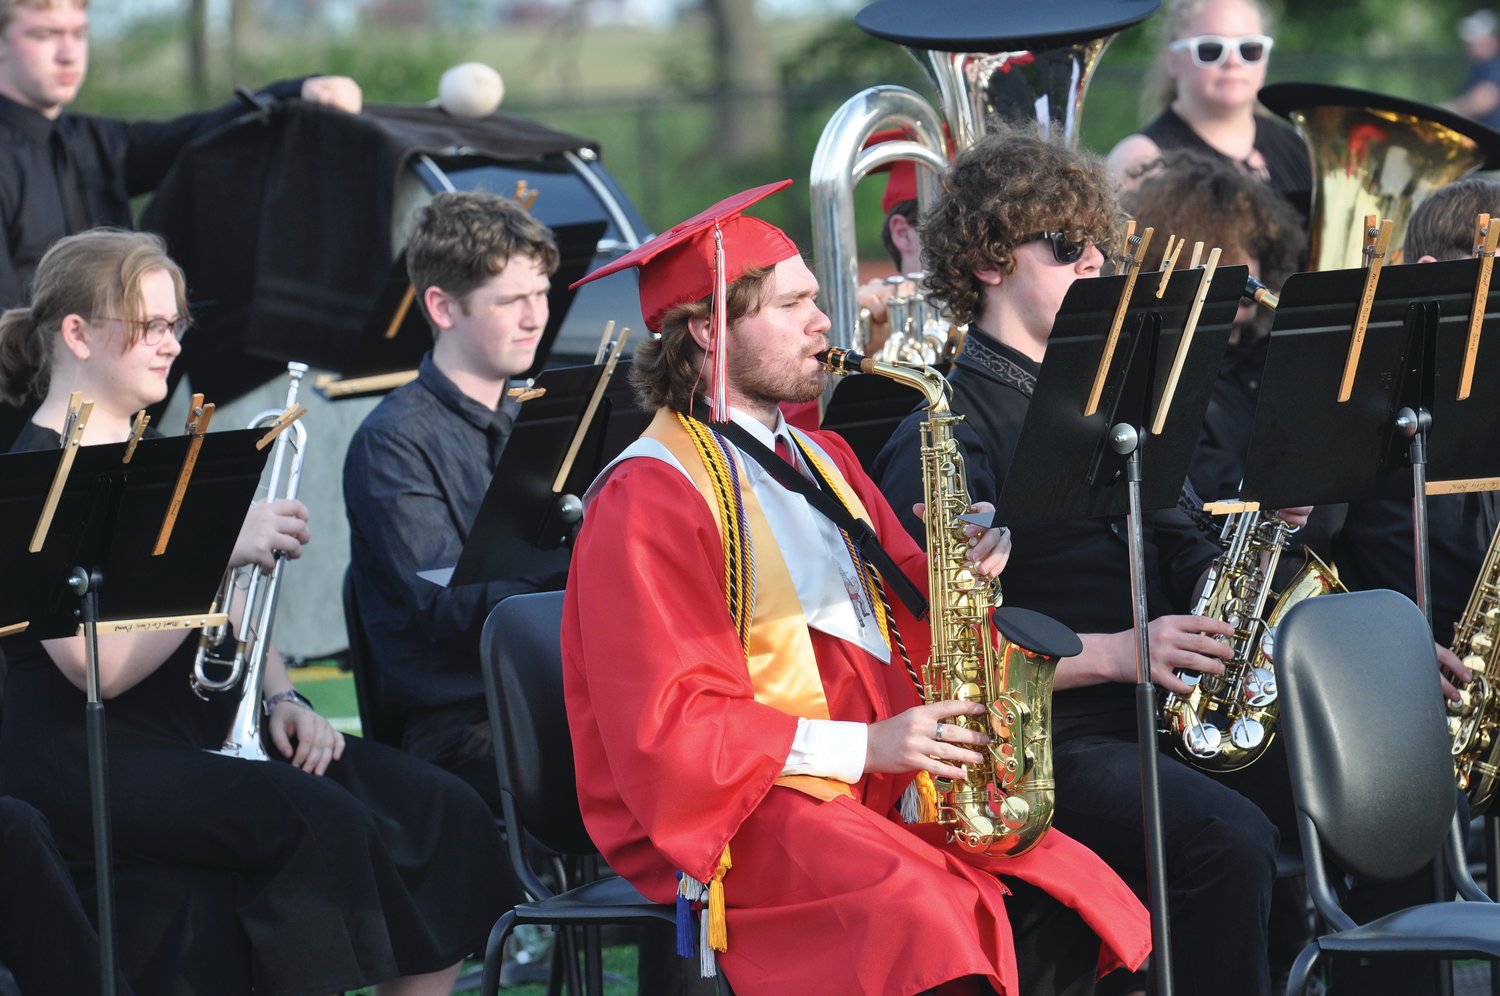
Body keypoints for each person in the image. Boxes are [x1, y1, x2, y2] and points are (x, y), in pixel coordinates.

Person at [563, 179, 1151, 995]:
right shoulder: (649, 496)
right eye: (792, 304)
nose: (825, 321)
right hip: (737, 809)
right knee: (922, 916)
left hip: (870, 776)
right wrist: (865, 748)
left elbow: (909, 614)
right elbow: (671, 724)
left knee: (1070, 885)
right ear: (707, 330)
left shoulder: (827, 462)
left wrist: (965, 569)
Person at [0, 229, 506, 995]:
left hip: (192, 726)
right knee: (313, 822)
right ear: (77, 332)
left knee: (441, 809)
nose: (171, 346)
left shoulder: (155, 453)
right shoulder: (40, 472)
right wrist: (214, 549)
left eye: (176, 326)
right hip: (85, 752)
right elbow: (92, 670)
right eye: (151, 326)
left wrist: (281, 696)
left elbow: (228, 610)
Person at [872, 128, 1305, 996]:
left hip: (1156, 713)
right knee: (1229, 838)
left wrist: (1254, 543)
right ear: (991, 261)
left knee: (1326, 789)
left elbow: (1182, 546)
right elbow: (936, 654)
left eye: (1097, 246)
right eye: (1066, 248)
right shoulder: (942, 434)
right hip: (1043, 744)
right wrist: (1116, 650)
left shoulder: (1123, 405)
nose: (1094, 265)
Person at [342, 190, 565, 813]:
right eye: (509, 301)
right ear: (441, 306)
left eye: (541, 293)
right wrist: (585, 582)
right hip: (466, 727)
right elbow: (446, 606)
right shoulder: (391, 441)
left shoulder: (542, 414)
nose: (535, 317)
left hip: (554, 693)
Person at [0, 0, 362, 310]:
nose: (68, 53)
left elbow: (198, 134)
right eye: (44, 35)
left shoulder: (97, 140)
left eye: (79, 34)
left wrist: (297, 92)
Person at [1106, 0, 1309, 206]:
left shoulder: (1303, 148)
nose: (1233, 61)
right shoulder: (1141, 160)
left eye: (1249, 49)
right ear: (1172, 60)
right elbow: (1131, 239)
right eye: (1210, 49)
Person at [1446, 9, 1500, 132]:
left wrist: (1444, 110)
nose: (1468, 46)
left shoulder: (1492, 67)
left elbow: (1483, 101)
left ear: (1491, 40)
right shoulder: (1479, 68)